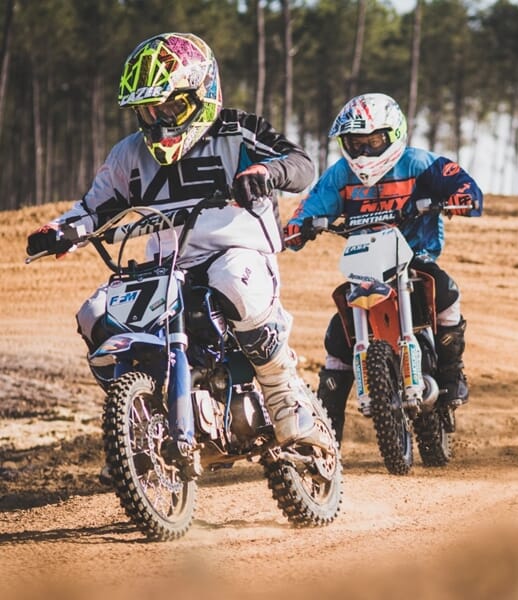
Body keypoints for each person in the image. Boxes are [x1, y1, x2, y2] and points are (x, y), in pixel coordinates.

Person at [24, 32, 324, 453]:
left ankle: (280, 388)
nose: (160, 120)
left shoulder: (238, 131)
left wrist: (266, 174)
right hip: (165, 270)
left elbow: (301, 164)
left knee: (230, 279)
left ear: (203, 93)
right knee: (95, 313)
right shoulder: (129, 154)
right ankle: (136, 427)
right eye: (148, 111)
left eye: (172, 106)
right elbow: (94, 208)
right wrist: (59, 231)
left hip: (237, 255)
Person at [283, 92, 483, 443]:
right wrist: (298, 227)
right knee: (336, 341)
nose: (362, 152)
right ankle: (325, 441)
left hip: (415, 259)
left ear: (393, 135)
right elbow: (311, 207)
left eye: (372, 141)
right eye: (354, 143)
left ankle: (452, 377)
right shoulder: (340, 174)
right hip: (365, 269)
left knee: (447, 293)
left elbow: (461, 183)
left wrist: (460, 196)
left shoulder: (419, 163)